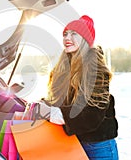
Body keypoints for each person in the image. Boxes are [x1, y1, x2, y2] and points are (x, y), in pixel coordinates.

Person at [36, 15, 119, 160]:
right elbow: (60, 101)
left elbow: (91, 115)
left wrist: (51, 113)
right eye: (65, 34)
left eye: (74, 33)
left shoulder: (95, 69)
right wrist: (43, 104)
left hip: (98, 146)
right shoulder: (63, 67)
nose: (67, 37)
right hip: (72, 142)